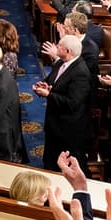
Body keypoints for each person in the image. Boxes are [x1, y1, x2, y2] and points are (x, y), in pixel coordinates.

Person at [35, 34, 93, 171]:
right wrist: (43, 86)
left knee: (63, 167)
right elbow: (51, 81)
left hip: (67, 130)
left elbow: (73, 103)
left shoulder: (81, 72)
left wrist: (49, 94)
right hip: (53, 123)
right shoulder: (61, 63)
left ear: (68, 51)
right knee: (49, 161)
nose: (56, 47)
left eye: (59, 46)